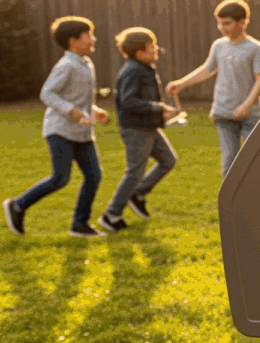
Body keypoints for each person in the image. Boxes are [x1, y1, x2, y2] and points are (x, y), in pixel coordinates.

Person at [4, 16, 110, 238]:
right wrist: (70, 110)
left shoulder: (86, 63)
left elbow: (78, 96)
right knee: (60, 178)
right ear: (73, 41)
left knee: (94, 176)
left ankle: (80, 224)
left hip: (82, 132)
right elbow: (47, 93)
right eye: (88, 36)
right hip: (60, 130)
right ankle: (17, 205)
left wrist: (94, 109)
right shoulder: (66, 65)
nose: (93, 39)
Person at [165, 0, 260, 177]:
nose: (222, 28)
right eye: (219, 24)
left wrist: (246, 105)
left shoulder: (254, 48)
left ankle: (258, 200)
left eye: (227, 23)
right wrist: (181, 84)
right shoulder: (218, 46)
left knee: (255, 159)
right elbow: (207, 69)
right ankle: (229, 204)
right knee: (229, 160)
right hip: (223, 112)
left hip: (249, 115)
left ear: (242, 22)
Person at [98, 27, 180, 233]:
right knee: (134, 172)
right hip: (136, 129)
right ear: (140, 52)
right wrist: (157, 107)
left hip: (149, 127)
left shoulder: (144, 67)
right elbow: (128, 101)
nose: (156, 49)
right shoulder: (133, 70)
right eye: (152, 46)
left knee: (168, 160)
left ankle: (138, 193)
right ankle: (111, 214)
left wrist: (159, 112)